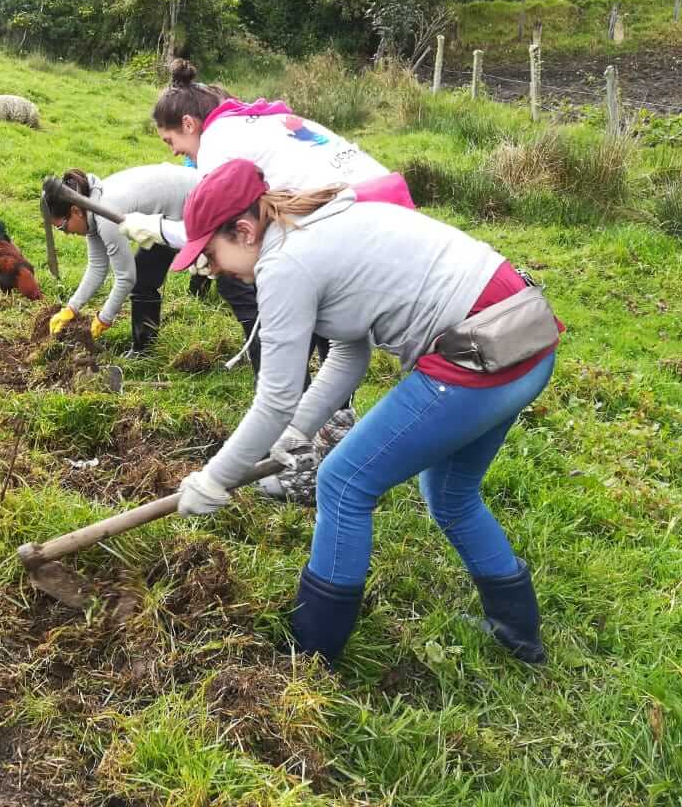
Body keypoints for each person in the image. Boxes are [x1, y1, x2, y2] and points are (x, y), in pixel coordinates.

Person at [168, 158, 563, 666]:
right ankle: (516, 631)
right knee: (449, 492)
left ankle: (313, 653)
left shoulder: (284, 263)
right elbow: (348, 355)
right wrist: (297, 431)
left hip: (482, 355)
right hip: (525, 338)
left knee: (343, 483)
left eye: (212, 255)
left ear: (244, 230)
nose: (214, 269)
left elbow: (275, 396)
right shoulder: (316, 220)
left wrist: (214, 479)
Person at [119, 59, 415, 504]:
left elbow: (222, 227)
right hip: (385, 209)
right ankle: (322, 441)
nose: (175, 152)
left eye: (172, 141)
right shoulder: (255, 120)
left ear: (188, 123)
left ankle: (302, 460)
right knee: (343, 338)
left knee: (290, 319)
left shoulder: (220, 142)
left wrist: (161, 231)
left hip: (353, 220)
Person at [43, 165, 197, 355]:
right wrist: (71, 308)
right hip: (168, 212)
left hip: (193, 201)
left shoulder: (105, 214)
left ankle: (143, 350)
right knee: (144, 277)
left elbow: (125, 278)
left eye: (63, 227)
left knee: (142, 278)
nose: (66, 233)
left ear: (75, 211)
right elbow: (98, 267)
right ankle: (145, 348)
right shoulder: (90, 207)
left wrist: (104, 318)